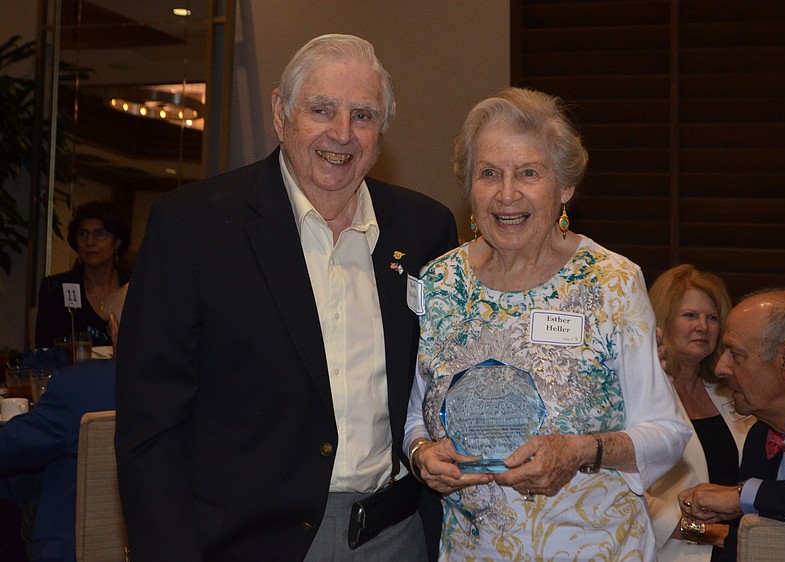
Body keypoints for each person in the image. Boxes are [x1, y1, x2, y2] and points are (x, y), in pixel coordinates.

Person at [115, 34, 458, 562]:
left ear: (382, 129)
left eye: (363, 116)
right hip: (250, 541)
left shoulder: (425, 230)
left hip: (396, 535)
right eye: (321, 109)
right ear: (281, 112)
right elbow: (150, 425)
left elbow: (438, 386)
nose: (341, 134)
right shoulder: (194, 227)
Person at [403, 87, 690, 560]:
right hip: (470, 552)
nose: (507, 193)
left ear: (565, 187)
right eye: (489, 173)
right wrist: (421, 455)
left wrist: (579, 451)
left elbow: (667, 430)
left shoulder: (612, 281)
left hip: (595, 548)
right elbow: (416, 412)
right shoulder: (440, 282)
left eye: (529, 173)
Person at [679, 289, 785, 561]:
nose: (721, 367)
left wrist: (743, 495)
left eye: (736, 354)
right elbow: (741, 546)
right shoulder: (761, 435)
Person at [0, 283, 125, 562]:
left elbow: (9, 448)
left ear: (114, 327)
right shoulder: (201, 386)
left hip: (73, 548)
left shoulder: (79, 386)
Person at [647, 265, 754, 561]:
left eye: (712, 318)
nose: (703, 327)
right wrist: (707, 533)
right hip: (673, 552)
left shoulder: (730, 394)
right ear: (663, 321)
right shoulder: (644, 396)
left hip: (737, 548)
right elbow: (627, 494)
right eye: (690, 316)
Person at [34, 200, 130, 348]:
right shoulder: (55, 289)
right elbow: (44, 349)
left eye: (100, 234)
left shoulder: (133, 287)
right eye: (83, 234)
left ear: (117, 242)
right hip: (70, 370)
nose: (90, 242)